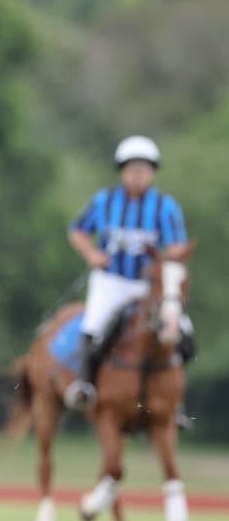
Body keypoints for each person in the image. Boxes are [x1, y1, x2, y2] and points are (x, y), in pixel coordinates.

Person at [64, 135, 190, 410]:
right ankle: (85, 385)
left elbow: (177, 246)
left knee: (182, 334)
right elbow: (78, 231)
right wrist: (92, 254)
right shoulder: (104, 201)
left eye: (143, 170)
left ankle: (175, 401)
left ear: (153, 173)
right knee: (94, 326)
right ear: (122, 172)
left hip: (149, 286)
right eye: (132, 170)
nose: (137, 176)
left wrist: (164, 259)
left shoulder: (165, 206)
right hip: (112, 280)